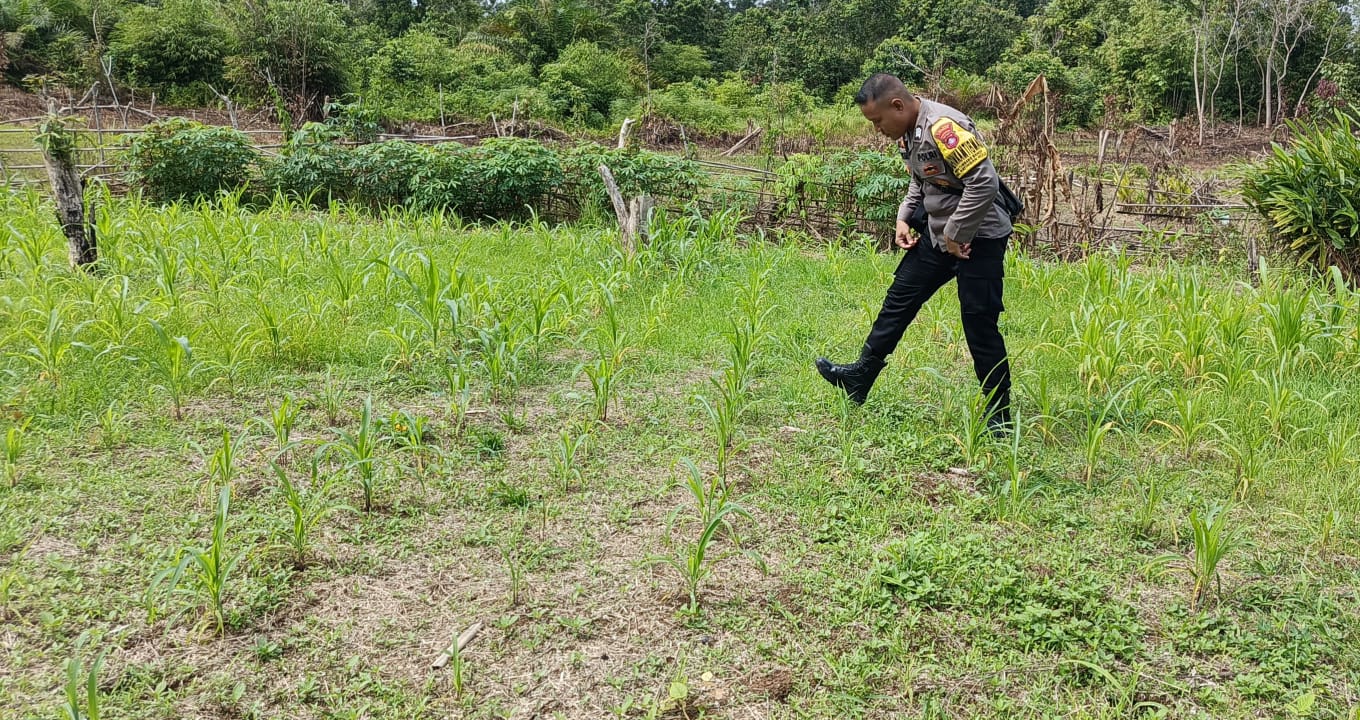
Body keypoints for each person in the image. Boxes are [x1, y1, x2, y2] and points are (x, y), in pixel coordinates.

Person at [815, 73, 1013, 432]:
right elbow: (921, 180)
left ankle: (999, 415)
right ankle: (860, 376)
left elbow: (984, 183)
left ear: (898, 105)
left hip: (978, 237)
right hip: (940, 236)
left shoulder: (943, 127)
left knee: (979, 322)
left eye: (878, 121)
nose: (877, 130)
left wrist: (956, 233)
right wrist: (904, 216)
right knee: (900, 299)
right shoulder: (908, 132)